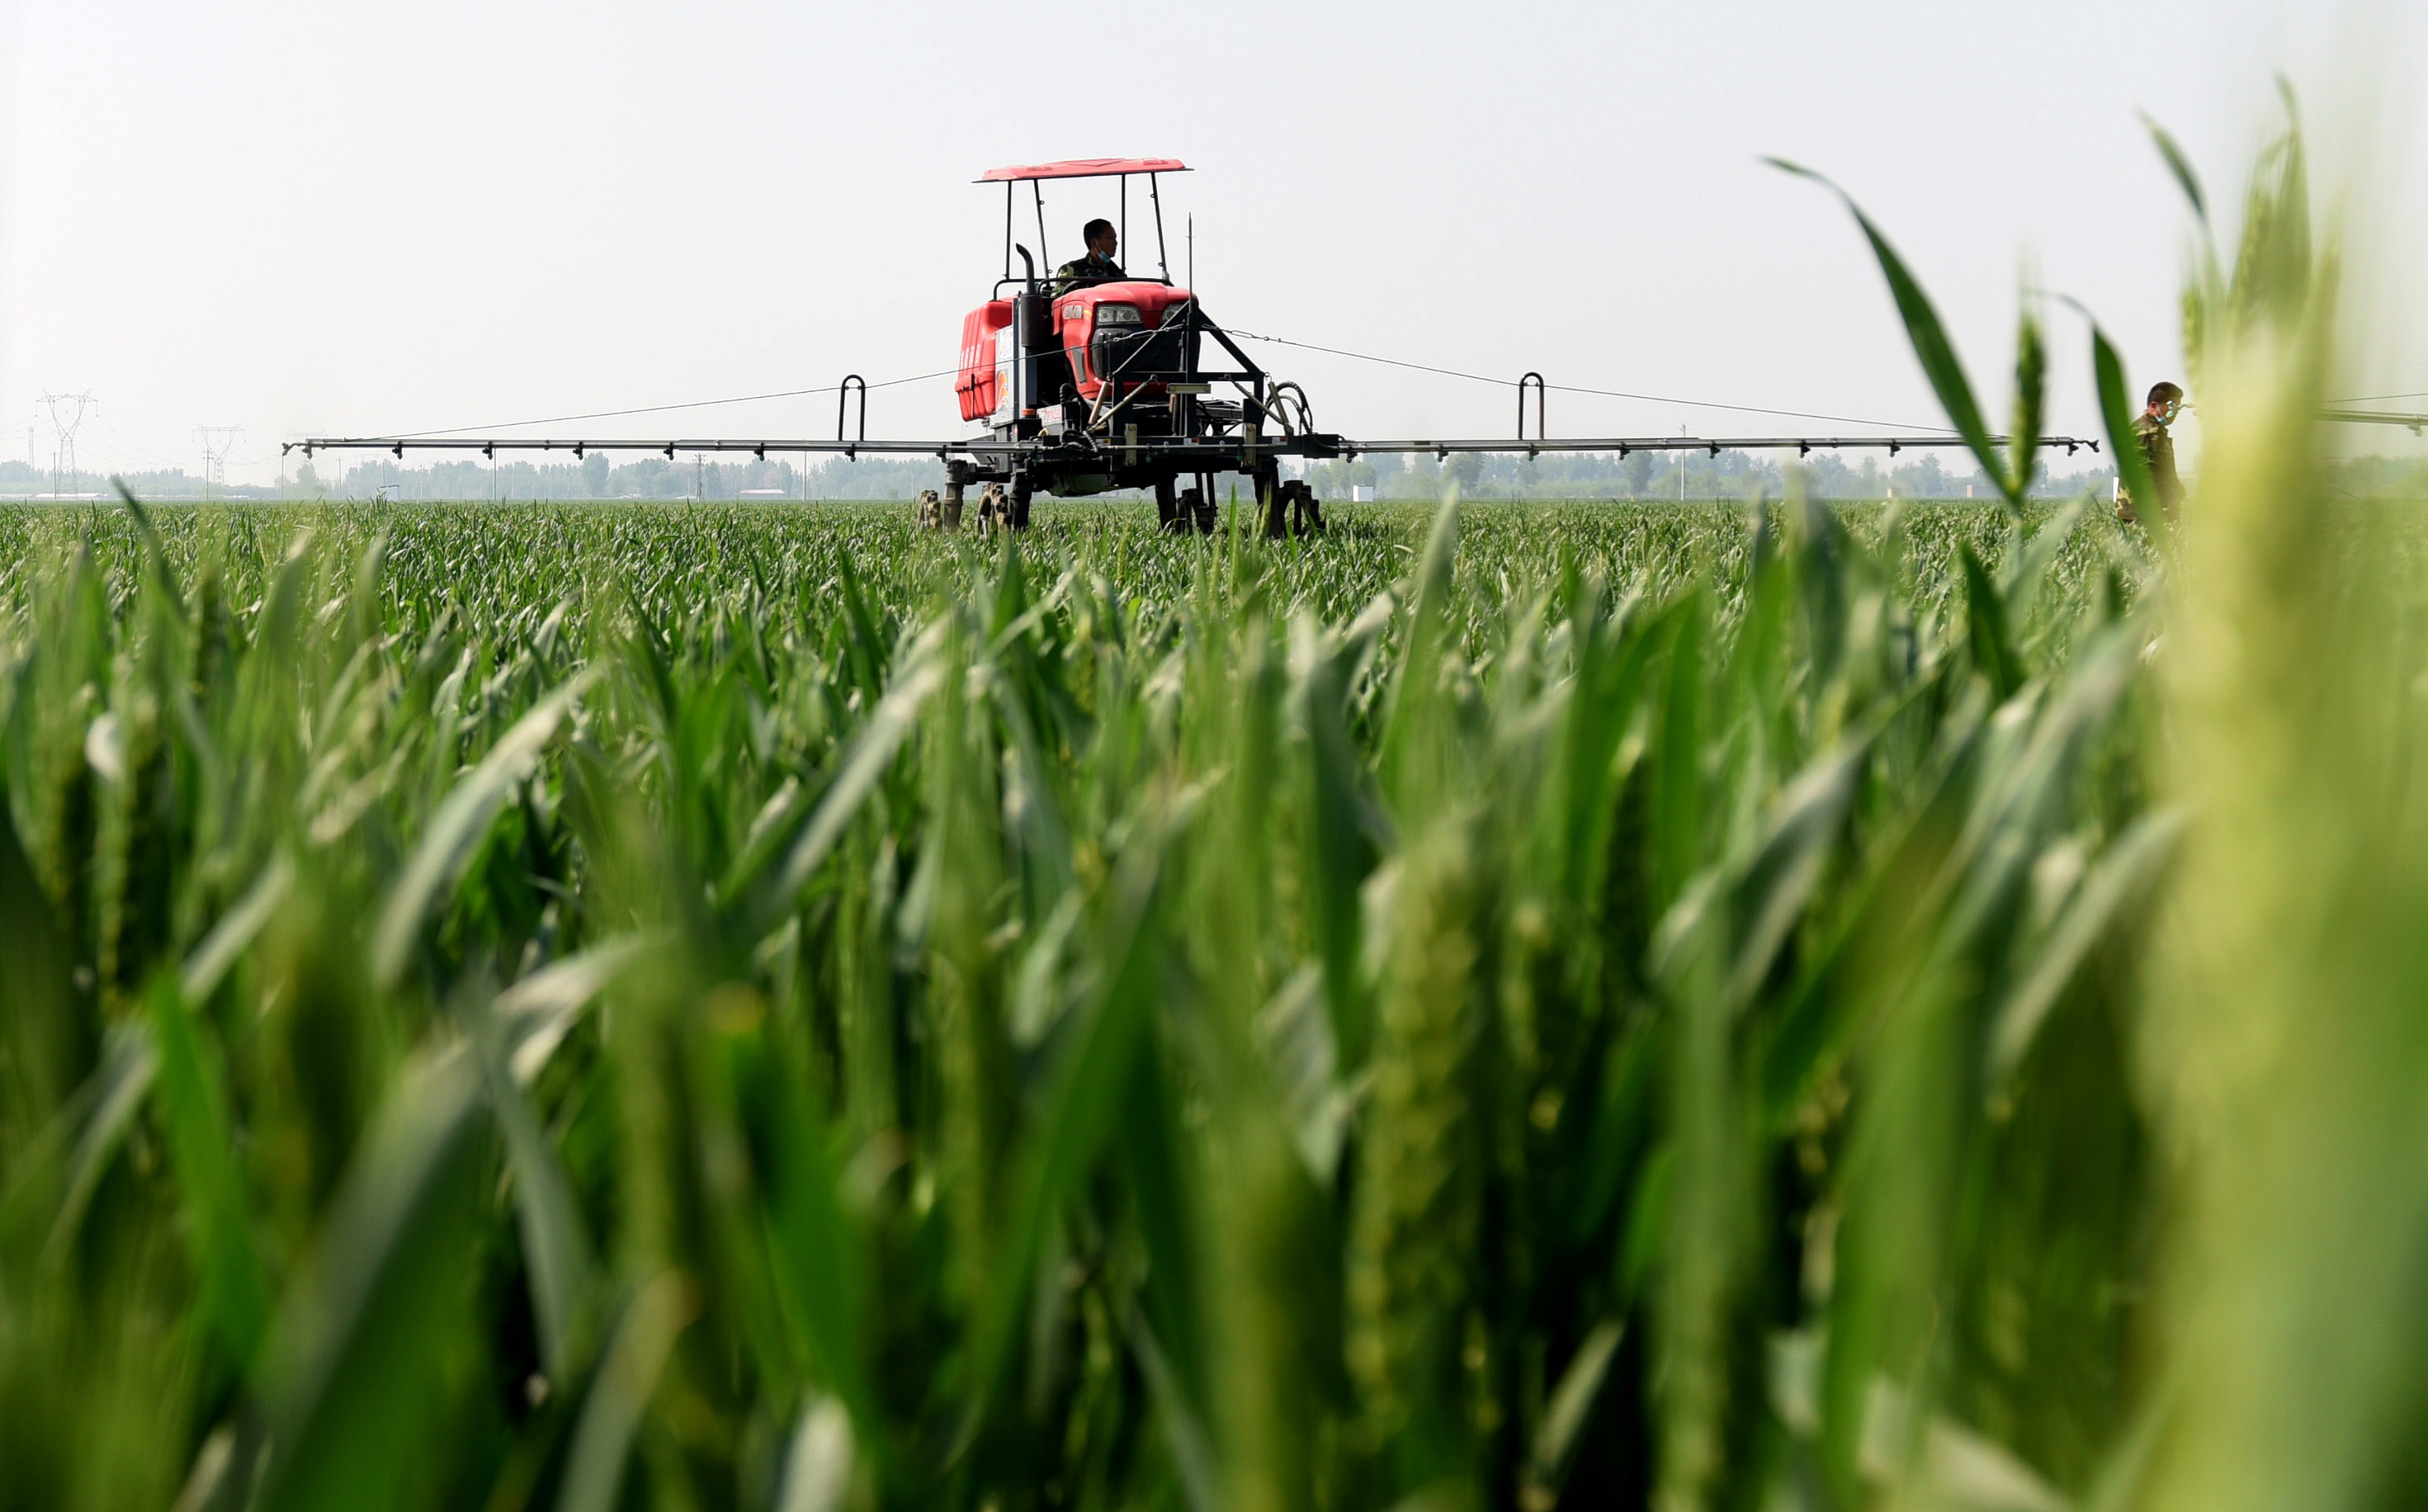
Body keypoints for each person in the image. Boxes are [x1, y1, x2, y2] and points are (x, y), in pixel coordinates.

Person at [2118, 380, 2185, 522]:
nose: (2175, 413)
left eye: (2178, 408)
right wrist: (2173, 493)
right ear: (2154, 406)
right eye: (2172, 407)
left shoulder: (2153, 430)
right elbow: (2147, 472)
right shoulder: (2147, 432)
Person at [1053, 220, 1125, 291]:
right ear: (1094, 242)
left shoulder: (1117, 273)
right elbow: (1058, 299)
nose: (1115, 243)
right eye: (1111, 238)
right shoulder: (1071, 269)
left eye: (1115, 238)